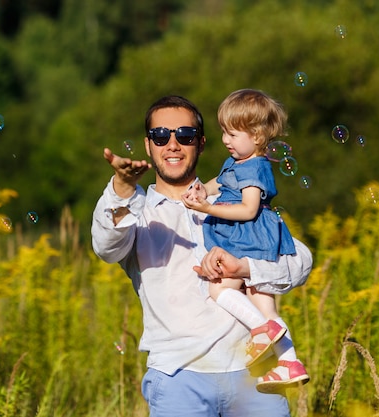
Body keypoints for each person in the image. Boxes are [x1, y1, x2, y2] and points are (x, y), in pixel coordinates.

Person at [91, 94, 313, 416]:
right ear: (148, 144)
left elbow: (300, 260)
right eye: (160, 135)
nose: (172, 144)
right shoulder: (134, 212)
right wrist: (123, 188)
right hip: (178, 377)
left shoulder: (236, 200)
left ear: (202, 143)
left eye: (185, 135)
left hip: (254, 375)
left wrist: (244, 268)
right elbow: (106, 245)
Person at [181, 89, 309, 393]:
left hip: (249, 236)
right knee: (263, 302)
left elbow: (249, 208)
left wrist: (208, 208)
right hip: (247, 238)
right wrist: (202, 190)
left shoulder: (256, 166)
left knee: (220, 289)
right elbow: (218, 183)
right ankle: (289, 362)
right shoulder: (234, 162)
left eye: (234, 133)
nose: (226, 139)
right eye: (224, 131)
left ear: (258, 135)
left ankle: (262, 330)